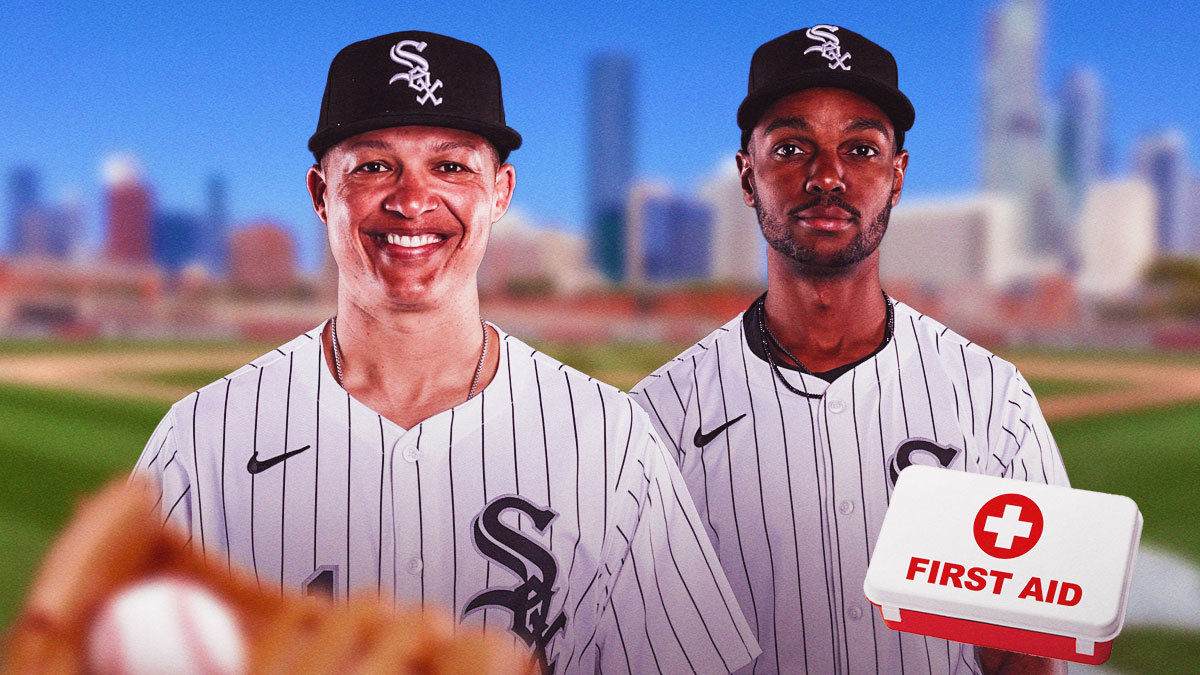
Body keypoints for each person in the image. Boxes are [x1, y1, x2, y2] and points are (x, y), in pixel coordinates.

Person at [134, 31, 758, 674]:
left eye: (451, 166)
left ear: (500, 192)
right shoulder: (203, 439)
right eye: (374, 165)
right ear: (322, 194)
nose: (411, 200)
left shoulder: (611, 436)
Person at [630, 25, 1068, 675]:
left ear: (897, 176)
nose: (828, 175)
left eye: (860, 148)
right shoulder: (658, 417)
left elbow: (1028, 652)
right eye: (792, 147)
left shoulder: (991, 397)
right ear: (748, 176)